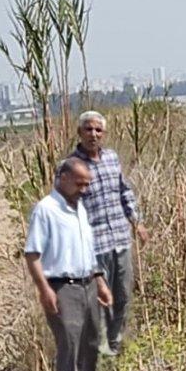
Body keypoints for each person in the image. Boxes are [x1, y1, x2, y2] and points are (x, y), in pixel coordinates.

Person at [25, 159, 113, 371]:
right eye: (79, 183)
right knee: (70, 347)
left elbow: (87, 252)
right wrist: (44, 290)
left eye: (87, 185)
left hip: (87, 284)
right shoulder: (46, 210)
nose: (84, 190)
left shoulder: (80, 210)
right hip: (62, 287)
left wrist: (100, 283)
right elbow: (32, 255)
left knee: (90, 345)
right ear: (61, 177)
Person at [69, 111, 148, 355]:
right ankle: (98, 349)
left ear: (104, 134)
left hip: (120, 241)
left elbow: (124, 191)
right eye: (88, 129)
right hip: (94, 247)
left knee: (123, 295)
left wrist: (137, 222)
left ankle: (115, 344)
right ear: (80, 133)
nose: (93, 134)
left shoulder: (112, 159)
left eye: (98, 130)